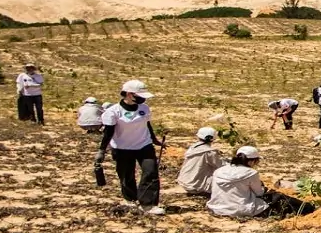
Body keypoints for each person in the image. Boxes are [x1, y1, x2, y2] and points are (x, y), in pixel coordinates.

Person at [97, 80, 163, 215]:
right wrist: (101, 151)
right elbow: (108, 133)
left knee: (150, 172)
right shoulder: (113, 112)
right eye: (140, 96)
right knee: (126, 176)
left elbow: (147, 124)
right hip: (122, 148)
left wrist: (154, 140)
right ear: (129, 94)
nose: (142, 99)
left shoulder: (144, 108)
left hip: (144, 145)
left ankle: (149, 204)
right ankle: (131, 199)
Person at [207, 146, 311, 218]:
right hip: (240, 209)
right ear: (251, 161)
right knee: (278, 197)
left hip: (217, 207)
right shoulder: (250, 173)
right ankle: (307, 208)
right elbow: (259, 193)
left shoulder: (219, 170)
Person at [177, 127, 226, 196]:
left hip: (185, 183)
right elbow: (221, 166)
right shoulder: (209, 152)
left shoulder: (193, 148)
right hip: (196, 186)